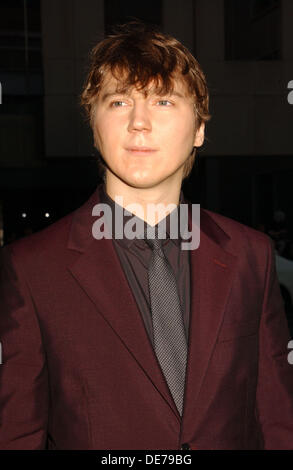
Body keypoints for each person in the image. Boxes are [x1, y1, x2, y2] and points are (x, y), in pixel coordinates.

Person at [1, 22, 293, 450]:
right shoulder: (30, 269)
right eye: (118, 101)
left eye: (163, 100)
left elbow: (276, 419)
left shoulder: (252, 255)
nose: (139, 121)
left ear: (199, 130)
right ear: (93, 125)